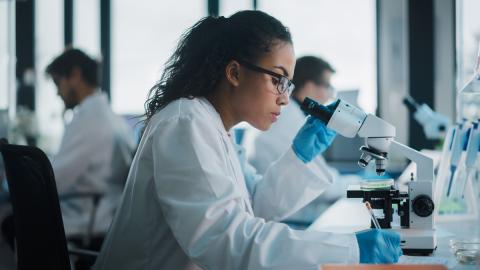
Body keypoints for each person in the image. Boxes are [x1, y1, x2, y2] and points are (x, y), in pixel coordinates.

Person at [94, 11, 402, 270]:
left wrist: (299, 157)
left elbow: (253, 206)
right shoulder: (185, 122)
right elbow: (226, 239)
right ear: (234, 72)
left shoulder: (215, 127)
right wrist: (348, 248)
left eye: (289, 83)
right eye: (277, 79)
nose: (285, 98)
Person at [246, 56, 359, 226]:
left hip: (286, 206)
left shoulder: (292, 115)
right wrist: (361, 184)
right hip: (290, 216)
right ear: (309, 86)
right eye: (327, 86)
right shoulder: (288, 119)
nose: (330, 94)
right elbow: (321, 186)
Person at [45, 49, 136, 239]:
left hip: (86, 219)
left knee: (8, 217)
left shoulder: (89, 120)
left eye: (57, 82)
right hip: (103, 211)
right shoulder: (107, 115)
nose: (57, 92)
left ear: (75, 76)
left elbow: (54, 180)